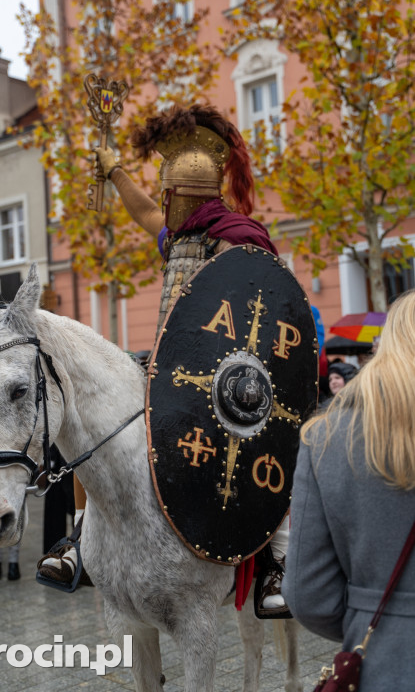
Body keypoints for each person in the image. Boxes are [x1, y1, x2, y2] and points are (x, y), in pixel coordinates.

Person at [38, 103, 290, 613]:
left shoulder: (240, 243)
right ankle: (79, 543)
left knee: (268, 455)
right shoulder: (180, 239)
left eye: (170, 194)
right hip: (168, 374)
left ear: (188, 195)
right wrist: (114, 171)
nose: (164, 203)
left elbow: (269, 313)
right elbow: (145, 213)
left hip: (230, 382)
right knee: (93, 428)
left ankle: (273, 567)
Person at [283, 291, 415, 691]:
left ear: (385, 344)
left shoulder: (325, 438)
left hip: (385, 664)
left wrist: (375, 614)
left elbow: (308, 595)